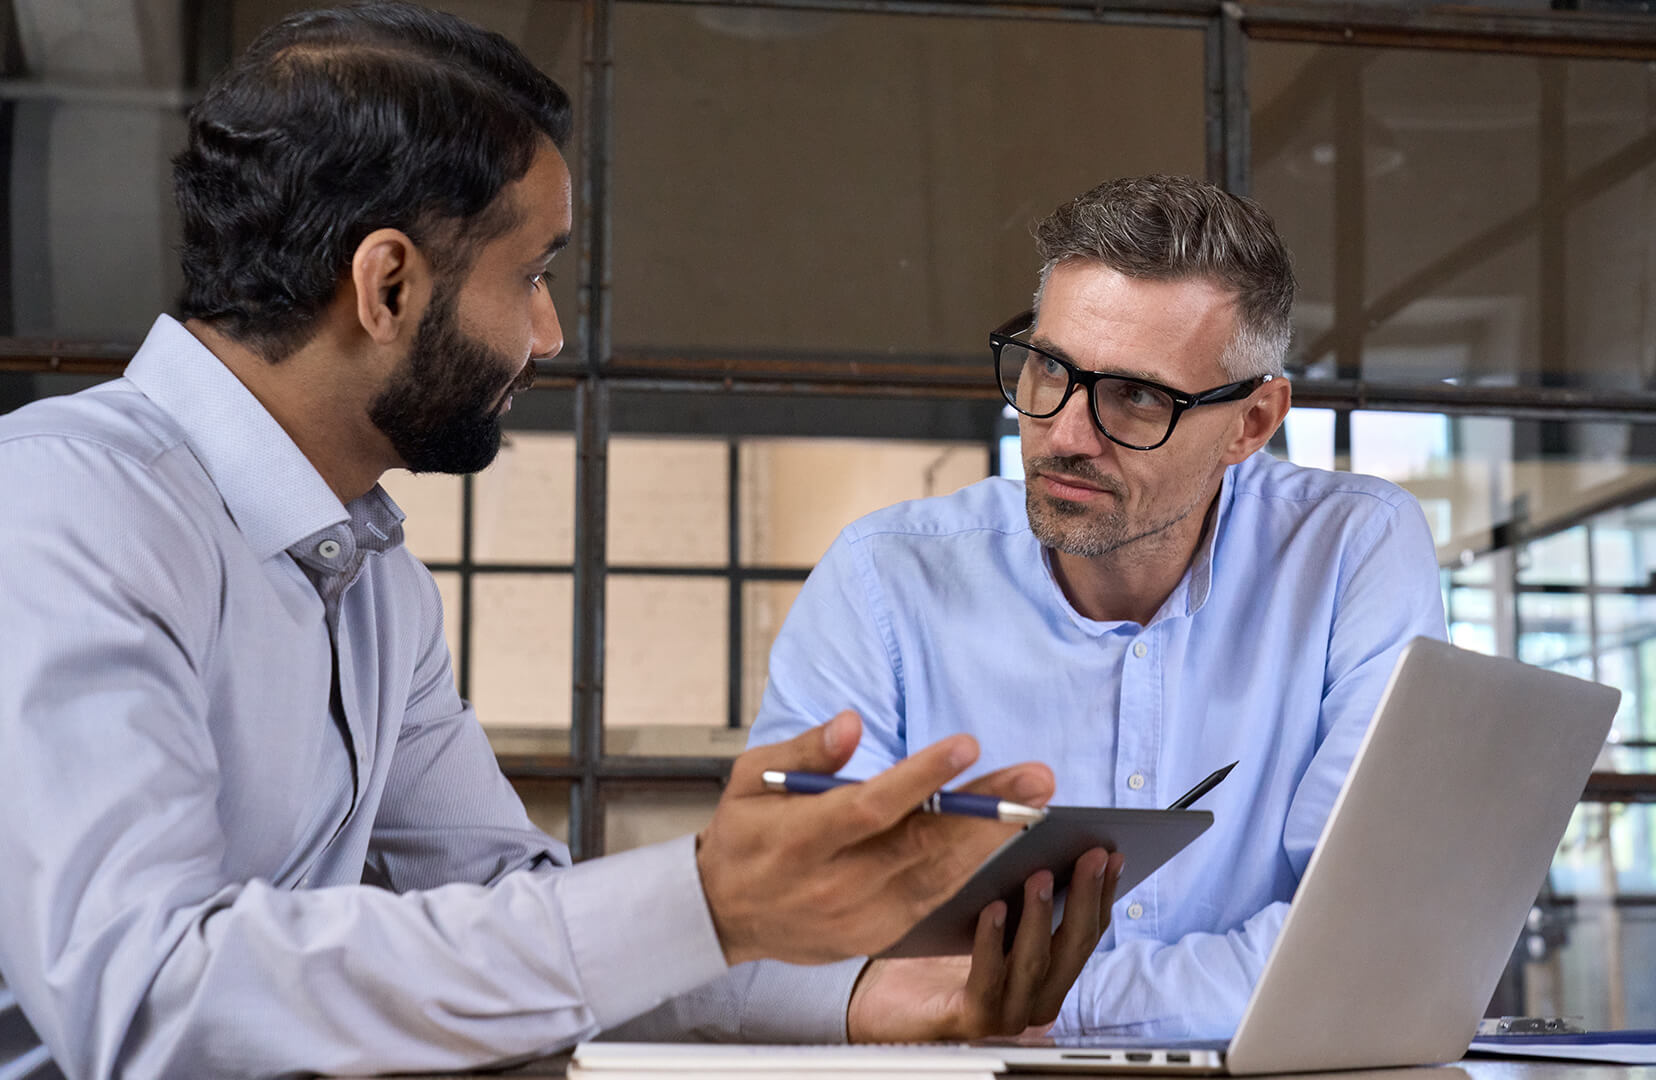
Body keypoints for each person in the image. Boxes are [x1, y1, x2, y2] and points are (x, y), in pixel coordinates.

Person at [0, 5, 1121, 1078]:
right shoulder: (63, 509)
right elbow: (145, 1003)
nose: (548, 335)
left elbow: (508, 905)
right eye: (530, 278)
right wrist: (708, 902)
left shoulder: (372, 576)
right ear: (386, 285)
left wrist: (866, 998)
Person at [747, 175, 1448, 1038]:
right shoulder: (884, 580)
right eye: (1049, 368)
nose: (1065, 435)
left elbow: (1366, 940)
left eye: (1138, 396)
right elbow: (774, 941)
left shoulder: (1352, 552)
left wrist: (1015, 1004)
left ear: (1252, 423)